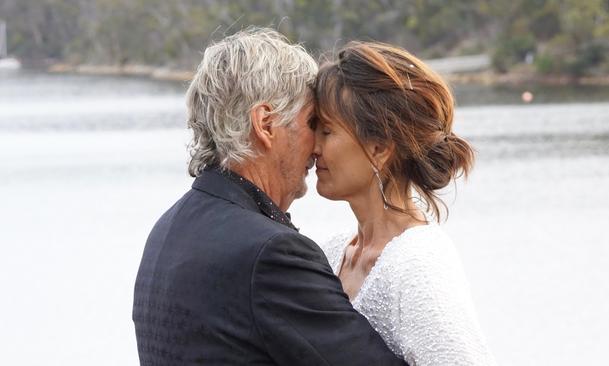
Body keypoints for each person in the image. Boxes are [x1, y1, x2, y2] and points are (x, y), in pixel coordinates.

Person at [132, 29, 406, 366]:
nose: (318, 147)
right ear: (265, 124)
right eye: (313, 122)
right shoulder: (271, 254)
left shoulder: (167, 230)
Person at [312, 41, 498, 365]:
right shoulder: (331, 253)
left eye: (327, 131)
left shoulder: (417, 263)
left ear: (379, 148)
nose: (314, 146)